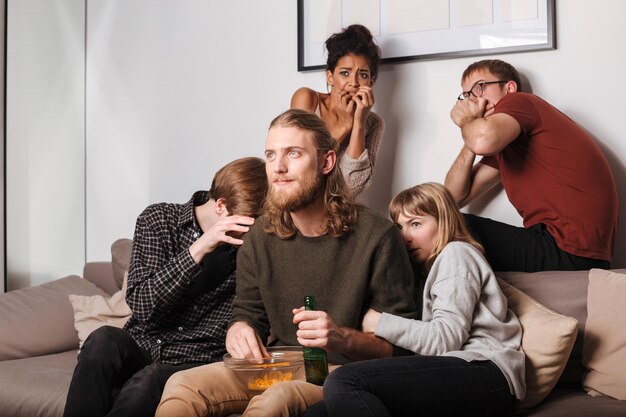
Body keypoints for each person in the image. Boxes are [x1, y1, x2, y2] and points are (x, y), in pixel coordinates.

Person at [155, 109, 418, 417]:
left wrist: (342, 336)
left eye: (293, 153)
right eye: (270, 155)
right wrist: (239, 329)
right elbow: (247, 312)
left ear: (326, 162)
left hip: (341, 374)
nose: (278, 168)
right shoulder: (259, 235)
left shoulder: (377, 235)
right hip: (275, 364)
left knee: (275, 400)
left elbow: (402, 348)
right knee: (182, 384)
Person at [62, 157, 268, 417]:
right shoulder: (159, 220)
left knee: (151, 379)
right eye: (242, 226)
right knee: (103, 339)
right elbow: (142, 304)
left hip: (194, 360)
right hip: (143, 344)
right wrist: (200, 248)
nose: (248, 236)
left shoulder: (251, 251)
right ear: (221, 206)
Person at [305, 182, 525, 417]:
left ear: (445, 222)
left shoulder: (457, 254)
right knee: (319, 412)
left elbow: (445, 340)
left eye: (416, 224)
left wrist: (378, 322)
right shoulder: (422, 274)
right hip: (459, 375)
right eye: (399, 227)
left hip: (486, 374)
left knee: (345, 380)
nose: (405, 237)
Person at [445, 59, 618, 272]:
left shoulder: (520, 102)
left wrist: (468, 123)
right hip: (562, 248)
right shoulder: (502, 143)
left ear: (509, 88)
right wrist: (472, 129)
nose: (473, 100)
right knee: (442, 219)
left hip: (571, 250)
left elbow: (482, 140)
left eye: (480, 87)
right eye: (468, 95)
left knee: (443, 226)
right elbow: (453, 197)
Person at [291, 24, 384, 196]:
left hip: (340, 213)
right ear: (330, 77)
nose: (354, 82)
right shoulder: (307, 99)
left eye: (363, 75)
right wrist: (344, 127)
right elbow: (298, 166)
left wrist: (358, 123)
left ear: (371, 82)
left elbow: (351, 187)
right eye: (345, 73)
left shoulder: (373, 123)